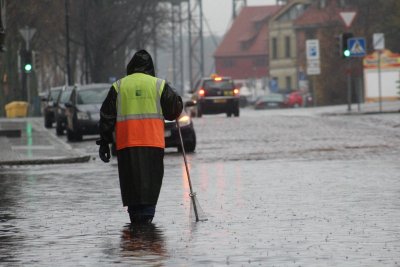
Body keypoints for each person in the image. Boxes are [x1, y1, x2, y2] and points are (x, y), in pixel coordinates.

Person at [96, 49, 183, 224]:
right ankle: (147, 217)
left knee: (131, 182)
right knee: (151, 182)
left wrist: (104, 142)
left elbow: (107, 116)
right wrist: (177, 100)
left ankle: (135, 216)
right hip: (153, 143)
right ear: (150, 67)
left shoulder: (119, 86)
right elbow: (174, 111)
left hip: (126, 143)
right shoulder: (159, 85)